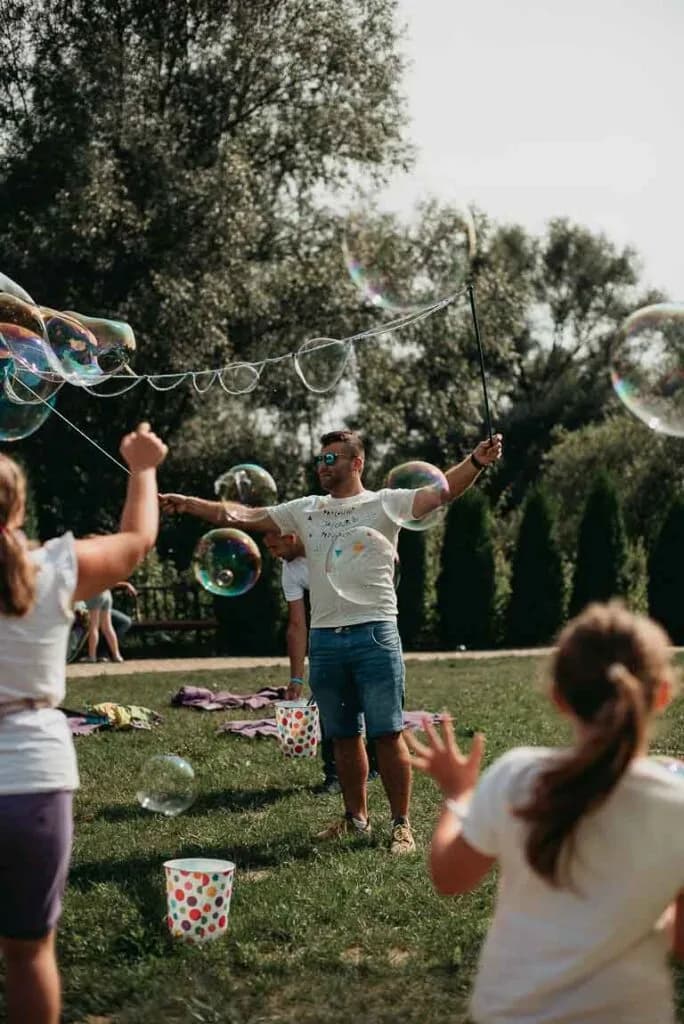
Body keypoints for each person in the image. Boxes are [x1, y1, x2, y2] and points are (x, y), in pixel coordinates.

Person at [161, 427, 501, 854]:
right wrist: (190, 504)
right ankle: (355, 818)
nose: (322, 466)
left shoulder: (384, 502)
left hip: (375, 632)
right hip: (325, 639)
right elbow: (242, 516)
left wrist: (476, 461)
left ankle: (401, 824)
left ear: (356, 463)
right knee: (341, 736)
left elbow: (441, 492)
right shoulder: (307, 509)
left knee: (388, 733)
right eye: (320, 459)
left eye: (331, 459)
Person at [406, 601, 684, 1024]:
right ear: (662, 694)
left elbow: (451, 877)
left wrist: (458, 793)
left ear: (558, 697)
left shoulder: (517, 776)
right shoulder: (677, 803)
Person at [0, 422, 167, 1024]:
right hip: (35, 778)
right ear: (19, 506)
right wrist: (142, 465)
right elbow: (136, 539)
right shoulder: (51, 568)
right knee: (29, 952)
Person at [263, 529, 378, 795]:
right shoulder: (290, 568)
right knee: (329, 704)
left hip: (365, 628)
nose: (273, 554)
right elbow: (296, 624)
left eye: (273, 547)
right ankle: (334, 774)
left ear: (290, 538)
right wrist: (295, 678)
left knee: (371, 704)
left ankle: (374, 765)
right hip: (328, 637)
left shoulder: (330, 546)